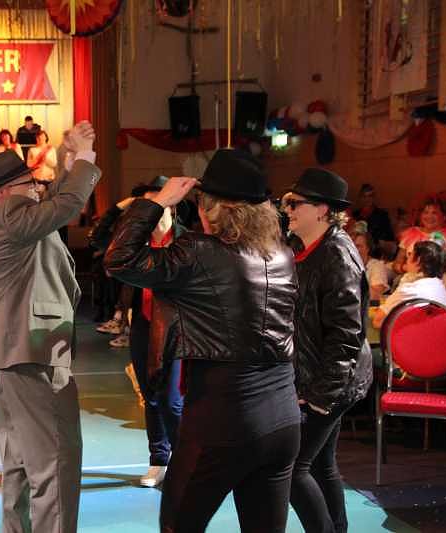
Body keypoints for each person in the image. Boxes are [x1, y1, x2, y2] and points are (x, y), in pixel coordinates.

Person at [105, 149, 301, 533]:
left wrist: (157, 203)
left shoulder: (199, 252)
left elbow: (120, 260)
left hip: (223, 419)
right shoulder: (282, 254)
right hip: (282, 417)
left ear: (211, 208)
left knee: (178, 526)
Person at [0, 121, 100, 533]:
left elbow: (54, 201)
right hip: (35, 356)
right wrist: (84, 159)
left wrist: (69, 162)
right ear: (4, 193)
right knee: (55, 465)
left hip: (13, 356)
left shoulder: (9, 218)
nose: (38, 189)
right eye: (29, 183)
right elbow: (64, 206)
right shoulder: (13, 218)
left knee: (21, 465)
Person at [281, 168, 373, 533]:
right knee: (320, 465)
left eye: (295, 204)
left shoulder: (337, 255)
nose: (288, 210)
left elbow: (346, 335)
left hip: (333, 382)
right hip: (324, 378)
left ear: (322, 210)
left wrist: (320, 396)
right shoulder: (307, 248)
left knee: (292, 468)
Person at [93, 175, 185, 488]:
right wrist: (122, 207)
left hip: (178, 329)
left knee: (172, 400)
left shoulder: (187, 241)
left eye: (160, 203)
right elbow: (98, 238)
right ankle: (159, 460)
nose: (153, 211)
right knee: (151, 397)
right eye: (148, 206)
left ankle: (185, 461)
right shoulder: (134, 245)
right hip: (144, 324)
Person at [371, 240, 446, 328]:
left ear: (418, 261)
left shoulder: (409, 290)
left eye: (410, 254)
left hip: (418, 335)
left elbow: (378, 321)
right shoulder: (440, 287)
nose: (407, 258)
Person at [393, 195, 446, 274]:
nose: (429, 216)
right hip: (410, 277)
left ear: (444, 216)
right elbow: (396, 264)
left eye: (434, 213)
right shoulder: (410, 233)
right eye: (426, 212)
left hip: (440, 278)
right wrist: (406, 268)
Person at [352, 184, 395, 257]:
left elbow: (390, 240)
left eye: (370, 196)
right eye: (364, 196)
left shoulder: (382, 215)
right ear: (360, 198)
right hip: (357, 253)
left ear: (373, 198)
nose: (367, 199)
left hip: (376, 255)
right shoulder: (355, 215)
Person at [351, 224, 390, 303]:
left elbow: (375, 295)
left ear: (368, 248)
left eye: (358, 246)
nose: (354, 250)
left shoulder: (377, 266)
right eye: (351, 246)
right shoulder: (342, 264)